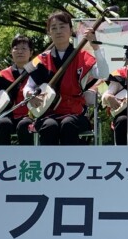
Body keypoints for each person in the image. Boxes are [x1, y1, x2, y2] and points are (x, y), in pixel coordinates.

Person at [23, 10, 109, 145]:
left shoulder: (83, 56)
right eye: (53, 28)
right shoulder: (41, 59)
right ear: (49, 32)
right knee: (49, 126)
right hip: (48, 112)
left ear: (71, 30)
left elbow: (103, 74)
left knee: (68, 124)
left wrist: (96, 47)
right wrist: (29, 95)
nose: (58, 31)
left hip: (75, 113)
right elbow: (29, 86)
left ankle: (70, 159)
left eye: (62, 26)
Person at [0, 35, 35, 145]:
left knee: (24, 125)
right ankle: (3, 155)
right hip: (7, 116)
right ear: (11, 52)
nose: (20, 52)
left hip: (31, 117)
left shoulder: (38, 72)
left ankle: (28, 155)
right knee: (2, 123)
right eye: (16, 48)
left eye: (24, 48)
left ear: (31, 52)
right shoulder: (2, 75)